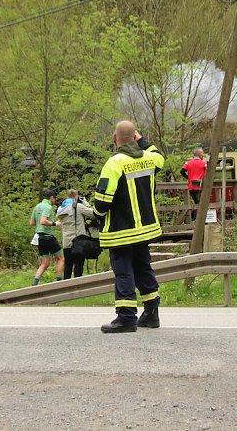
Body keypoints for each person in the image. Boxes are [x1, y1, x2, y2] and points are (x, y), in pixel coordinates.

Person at [92, 120, 164, 333]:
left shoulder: (114, 163)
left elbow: (102, 201)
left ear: (115, 139)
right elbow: (157, 153)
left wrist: (97, 216)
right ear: (135, 137)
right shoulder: (150, 159)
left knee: (124, 272)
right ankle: (151, 314)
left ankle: (126, 318)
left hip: (121, 231)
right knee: (143, 268)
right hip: (145, 230)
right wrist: (140, 139)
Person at [56, 189, 95, 279]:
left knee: (68, 266)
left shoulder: (61, 209)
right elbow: (92, 214)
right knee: (78, 265)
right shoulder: (79, 207)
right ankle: (77, 287)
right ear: (76, 196)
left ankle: (67, 287)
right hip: (78, 241)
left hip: (66, 241)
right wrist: (85, 203)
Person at [29, 189, 64, 286]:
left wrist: (40, 225)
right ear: (51, 197)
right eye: (54, 198)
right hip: (48, 237)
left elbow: (32, 223)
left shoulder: (37, 206)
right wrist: (55, 223)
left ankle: (35, 283)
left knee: (45, 263)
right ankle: (59, 281)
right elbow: (43, 221)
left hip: (39, 237)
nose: (54, 200)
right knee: (61, 258)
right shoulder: (48, 207)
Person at [180, 147, 207, 220]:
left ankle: (196, 218)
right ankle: (198, 219)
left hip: (191, 187)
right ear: (198, 154)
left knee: (196, 202)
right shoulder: (204, 164)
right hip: (200, 186)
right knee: (200, 203)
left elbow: (182, 171)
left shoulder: (188, 163)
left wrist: (188, 177)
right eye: (202, 153)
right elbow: (208, 172)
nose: (203, 155)